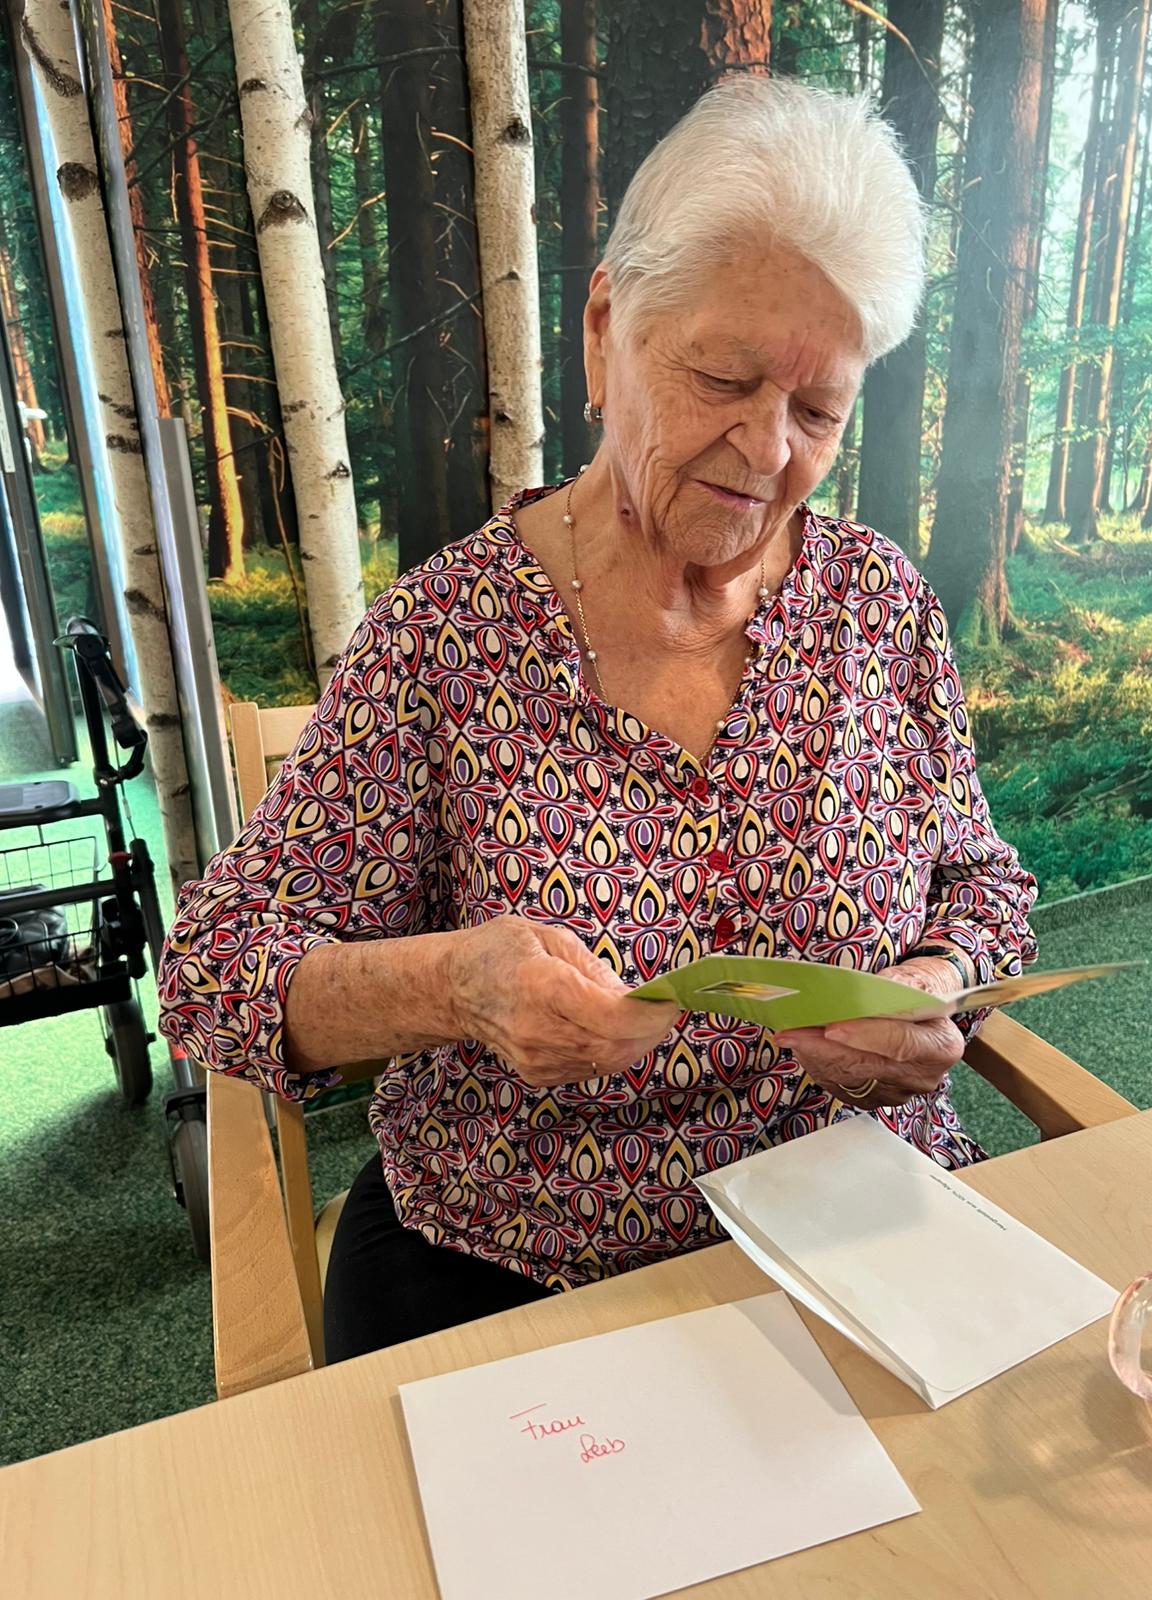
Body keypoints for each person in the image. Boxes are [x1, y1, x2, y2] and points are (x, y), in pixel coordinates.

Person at [159, 79, 1037, 1362]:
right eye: (723, 377)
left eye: (818, 411)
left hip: (853, 1232)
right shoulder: (446, 637)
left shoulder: (878, 605)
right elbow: (216, 963)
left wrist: (939, 986)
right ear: (605, 328)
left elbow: (984, 884)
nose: (767, 450)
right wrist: (456, 986)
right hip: (515, 1270)